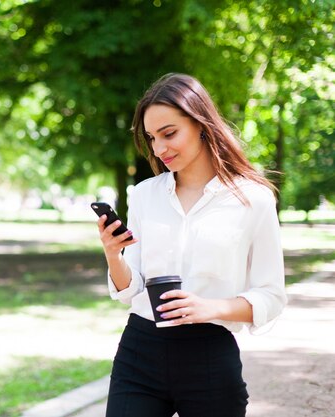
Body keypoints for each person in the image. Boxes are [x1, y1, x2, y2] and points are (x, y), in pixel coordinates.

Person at [96, 73, 287, 417]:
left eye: (169, 134)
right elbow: (131, 287)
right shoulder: (144, 195)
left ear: (201, 124)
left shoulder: (253, 199)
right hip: (140, 350)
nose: (159, 149)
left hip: (209, 356)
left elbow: (271, 296)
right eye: (152, 138)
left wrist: (209, 308)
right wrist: (113, 254)